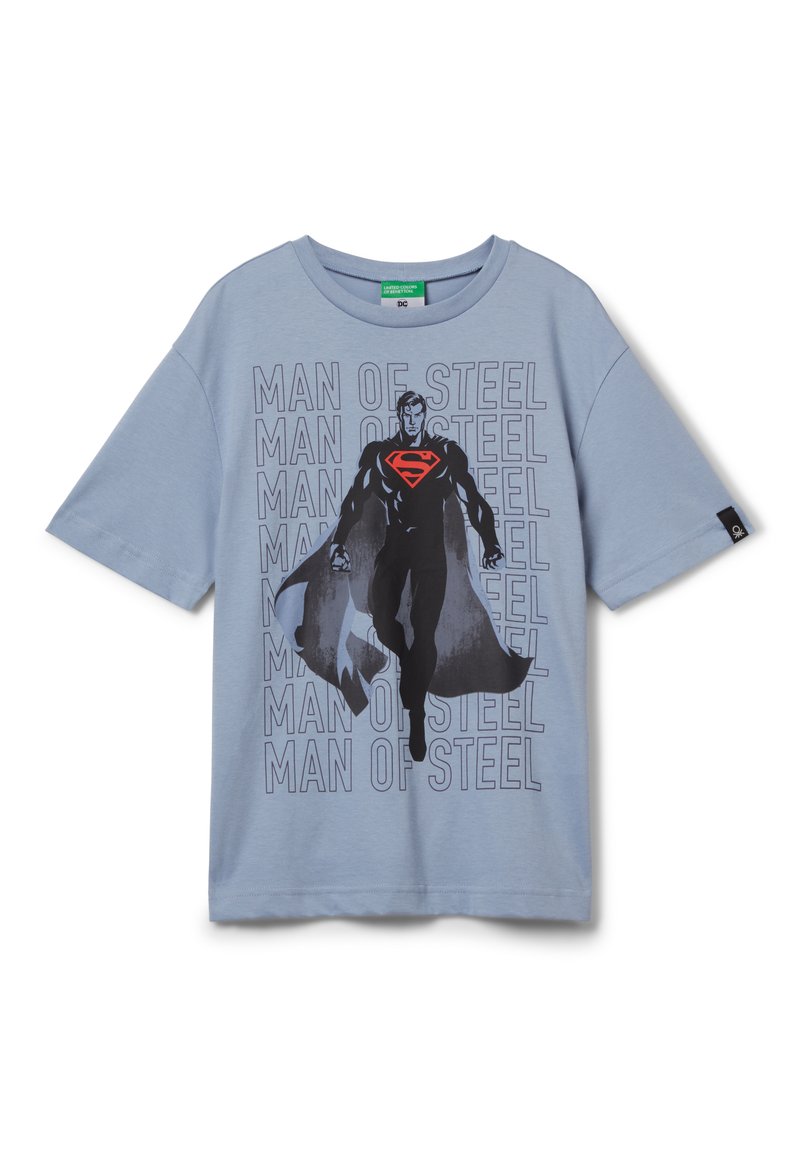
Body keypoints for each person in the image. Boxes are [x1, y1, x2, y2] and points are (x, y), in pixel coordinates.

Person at [330, 390, 504, 761]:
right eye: (406, 414)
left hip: (430, 554)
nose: (412, 420)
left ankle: (417, 713)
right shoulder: (380, 454)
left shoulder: (445, 453)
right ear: (399, 415)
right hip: (394, 549)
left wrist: (490, 543)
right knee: (384, 624)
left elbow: (472, 499)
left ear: (424, 415)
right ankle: (412, 668)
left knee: (424, 631)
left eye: (417, 413)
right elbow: (355, 499)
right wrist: (338, 543)